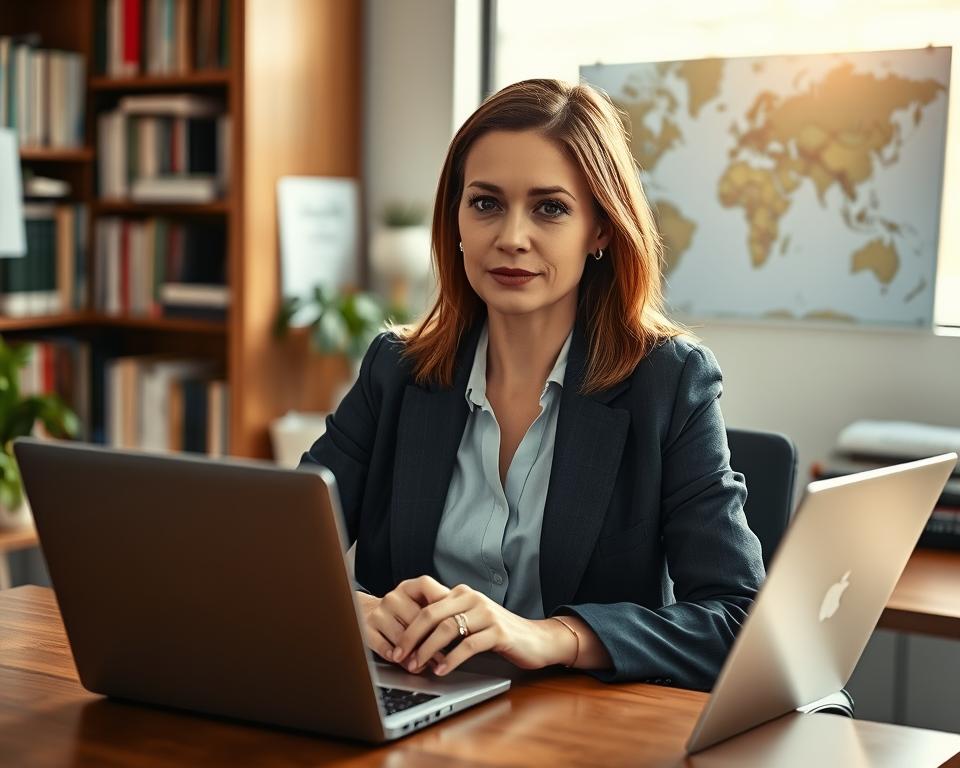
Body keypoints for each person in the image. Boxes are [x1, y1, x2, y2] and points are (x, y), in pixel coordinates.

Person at [301, 78, 764, 691]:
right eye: (486, 203)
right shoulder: (397, 370)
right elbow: (277, 549)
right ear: (457, 219)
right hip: (414, 714)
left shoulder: (669, 383)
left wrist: (551, 636)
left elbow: (737, 618)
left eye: (550, 207)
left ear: (600, 229)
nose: (511, 237)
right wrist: (359, 611)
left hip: (577, 732)